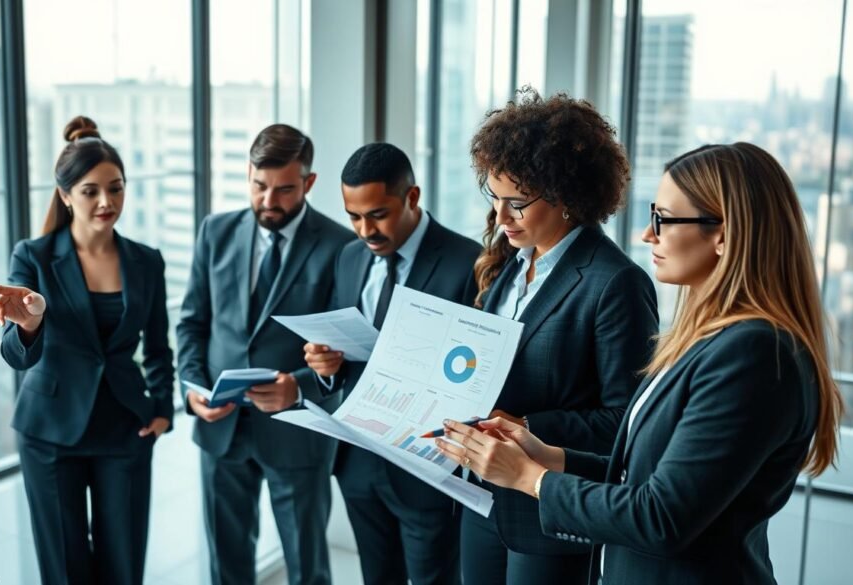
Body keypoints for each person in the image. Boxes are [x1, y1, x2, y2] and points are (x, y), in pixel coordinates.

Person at [437, 142, 845, 583]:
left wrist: (530, 478)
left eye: (663, 220)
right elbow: (641, 477)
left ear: (724, 235)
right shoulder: (711, 338)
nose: (649, 235)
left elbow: (661, 517)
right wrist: (549, 456)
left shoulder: (756, 353)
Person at [458, 88, 659, 584]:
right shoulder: (511, 264)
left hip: (547, 515)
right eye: (495, 198)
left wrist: (526, 424)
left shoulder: (616, 283)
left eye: (517, 203)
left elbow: (625, 423)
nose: (500, 218)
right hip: (481, 497)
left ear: (566, 196)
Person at [0, 116, 174, 585]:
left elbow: (158, 346)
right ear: (65, 196)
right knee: (65, 571)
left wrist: (163, 409)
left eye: (116, 188)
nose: (106, 201)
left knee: (124, 565)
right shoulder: (33, 256)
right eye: (90, 191)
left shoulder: (147, 261)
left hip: (126, 428)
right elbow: (17, 356)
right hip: (50, 434)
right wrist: (31, 322)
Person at [176, 124, 355, 585]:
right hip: (221, 429)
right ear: (248, 175)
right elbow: (192, 324)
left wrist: (299, 385)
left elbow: (346, 351)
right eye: (259, 186)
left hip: (297, 433)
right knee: (226, 566)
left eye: (284, 189)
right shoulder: (215, 231)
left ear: (309, 183)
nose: (269, 201)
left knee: (307, 567)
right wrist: (192, 390)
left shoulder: (341, 247)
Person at [303, 143, 481, 585]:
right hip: (358, 458)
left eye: (378, 214)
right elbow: (344, 353)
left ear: (412, 197)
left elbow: (476, 373)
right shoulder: (349, 257)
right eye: (354, 217)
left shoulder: (469, 262)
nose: (366, 230)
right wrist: (327, 367)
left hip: (426, 463)